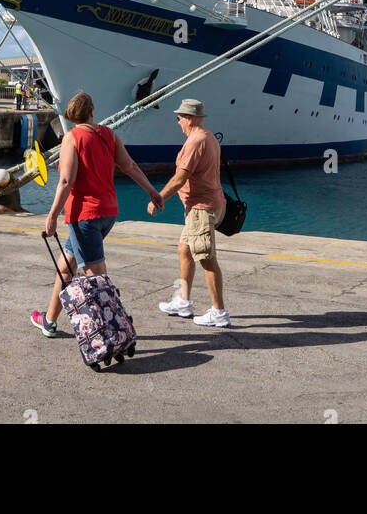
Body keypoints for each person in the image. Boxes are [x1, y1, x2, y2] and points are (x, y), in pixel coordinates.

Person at [31, 90, 163, 337]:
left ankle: (114, 333)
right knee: (68, 263)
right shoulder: (109, 135)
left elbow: (66, 180)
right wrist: (151, 192)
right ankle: (49, 320)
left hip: (85, 217)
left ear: (72, 115)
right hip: (107, 213)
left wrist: (51, 216)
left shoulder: (72, 137)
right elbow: (130, 166)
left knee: (96, 279)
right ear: (92, 111)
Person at [149, 97, 229, 327]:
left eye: (179, 118)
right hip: (207, 205)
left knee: (206, 258)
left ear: (190, 118)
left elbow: (180, 177)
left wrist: (158, 198)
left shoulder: (195, 142)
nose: (178, 122)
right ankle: (183, 301)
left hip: (201, 210)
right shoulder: (210, 136)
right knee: (184, 250)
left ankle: (219, 312)